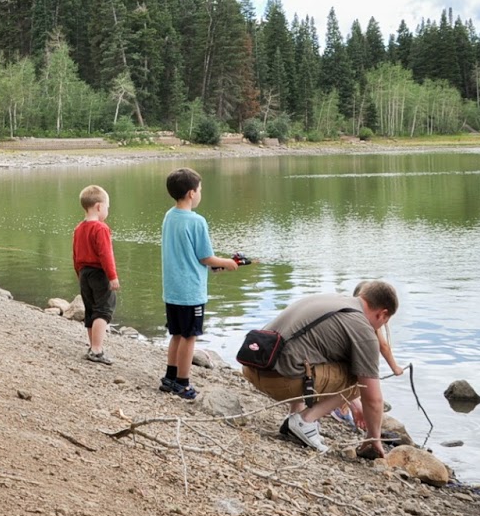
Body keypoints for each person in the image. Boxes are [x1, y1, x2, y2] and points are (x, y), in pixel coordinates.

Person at [239, 280, 400, 459]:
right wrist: (373, 438)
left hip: (253, 366)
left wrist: (354, 405)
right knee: (360, 380)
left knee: (307, 354)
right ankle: (304, 421)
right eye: (385, 322)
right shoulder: (362, 329)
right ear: (382, 314)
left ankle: (294, 417)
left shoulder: (332, 300)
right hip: (276, 380)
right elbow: (373, 398)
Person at [159, 167, 239, 400]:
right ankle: (183, 383)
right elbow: (205, 257)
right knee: (189, 337)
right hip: (190, 292)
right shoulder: (197, 221)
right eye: (200, 190)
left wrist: (212, 265)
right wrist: (227, 263)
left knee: (176, 334)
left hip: (172, 289)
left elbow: (188, 253)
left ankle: (170, 378)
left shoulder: (169, 216)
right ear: (192, 193)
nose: (201, 193)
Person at [333, 279, 407, 430]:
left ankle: (342, 407)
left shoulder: (349, 313)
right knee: (359, 382)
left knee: (352, 379)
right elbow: (384, 346)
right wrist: (395, 368)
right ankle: (344, 409)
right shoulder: (370, 322)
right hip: (350, 366)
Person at [73, 184, 120, 365]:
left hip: (84, 273)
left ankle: (93, 346)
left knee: (91, 310)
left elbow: (75, 254)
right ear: (99, 206)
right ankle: (97, 350)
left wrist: (79, 273)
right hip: (99, 273)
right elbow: (106, 254)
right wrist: (112, 276)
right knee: (103, 310)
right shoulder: (100, 228)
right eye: (107, 207)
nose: (108, 210)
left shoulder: (79, 228)